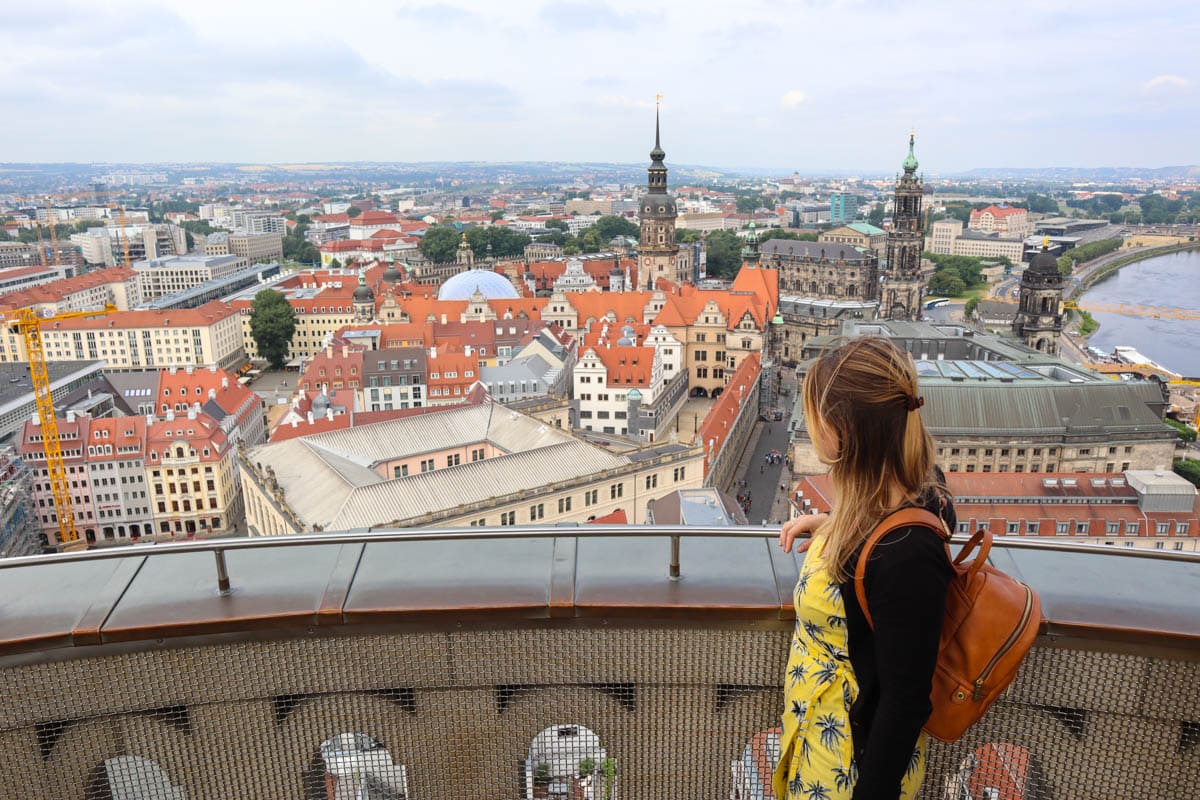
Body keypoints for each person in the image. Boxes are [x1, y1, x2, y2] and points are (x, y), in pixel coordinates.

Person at [773, 337, 955, 800]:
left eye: (814, 414)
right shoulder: (895, 500)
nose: (808, 425)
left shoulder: (907, 550)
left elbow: (905, 701)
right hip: (821, 737)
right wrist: (835, 524)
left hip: (849, 763)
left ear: (842, 430)